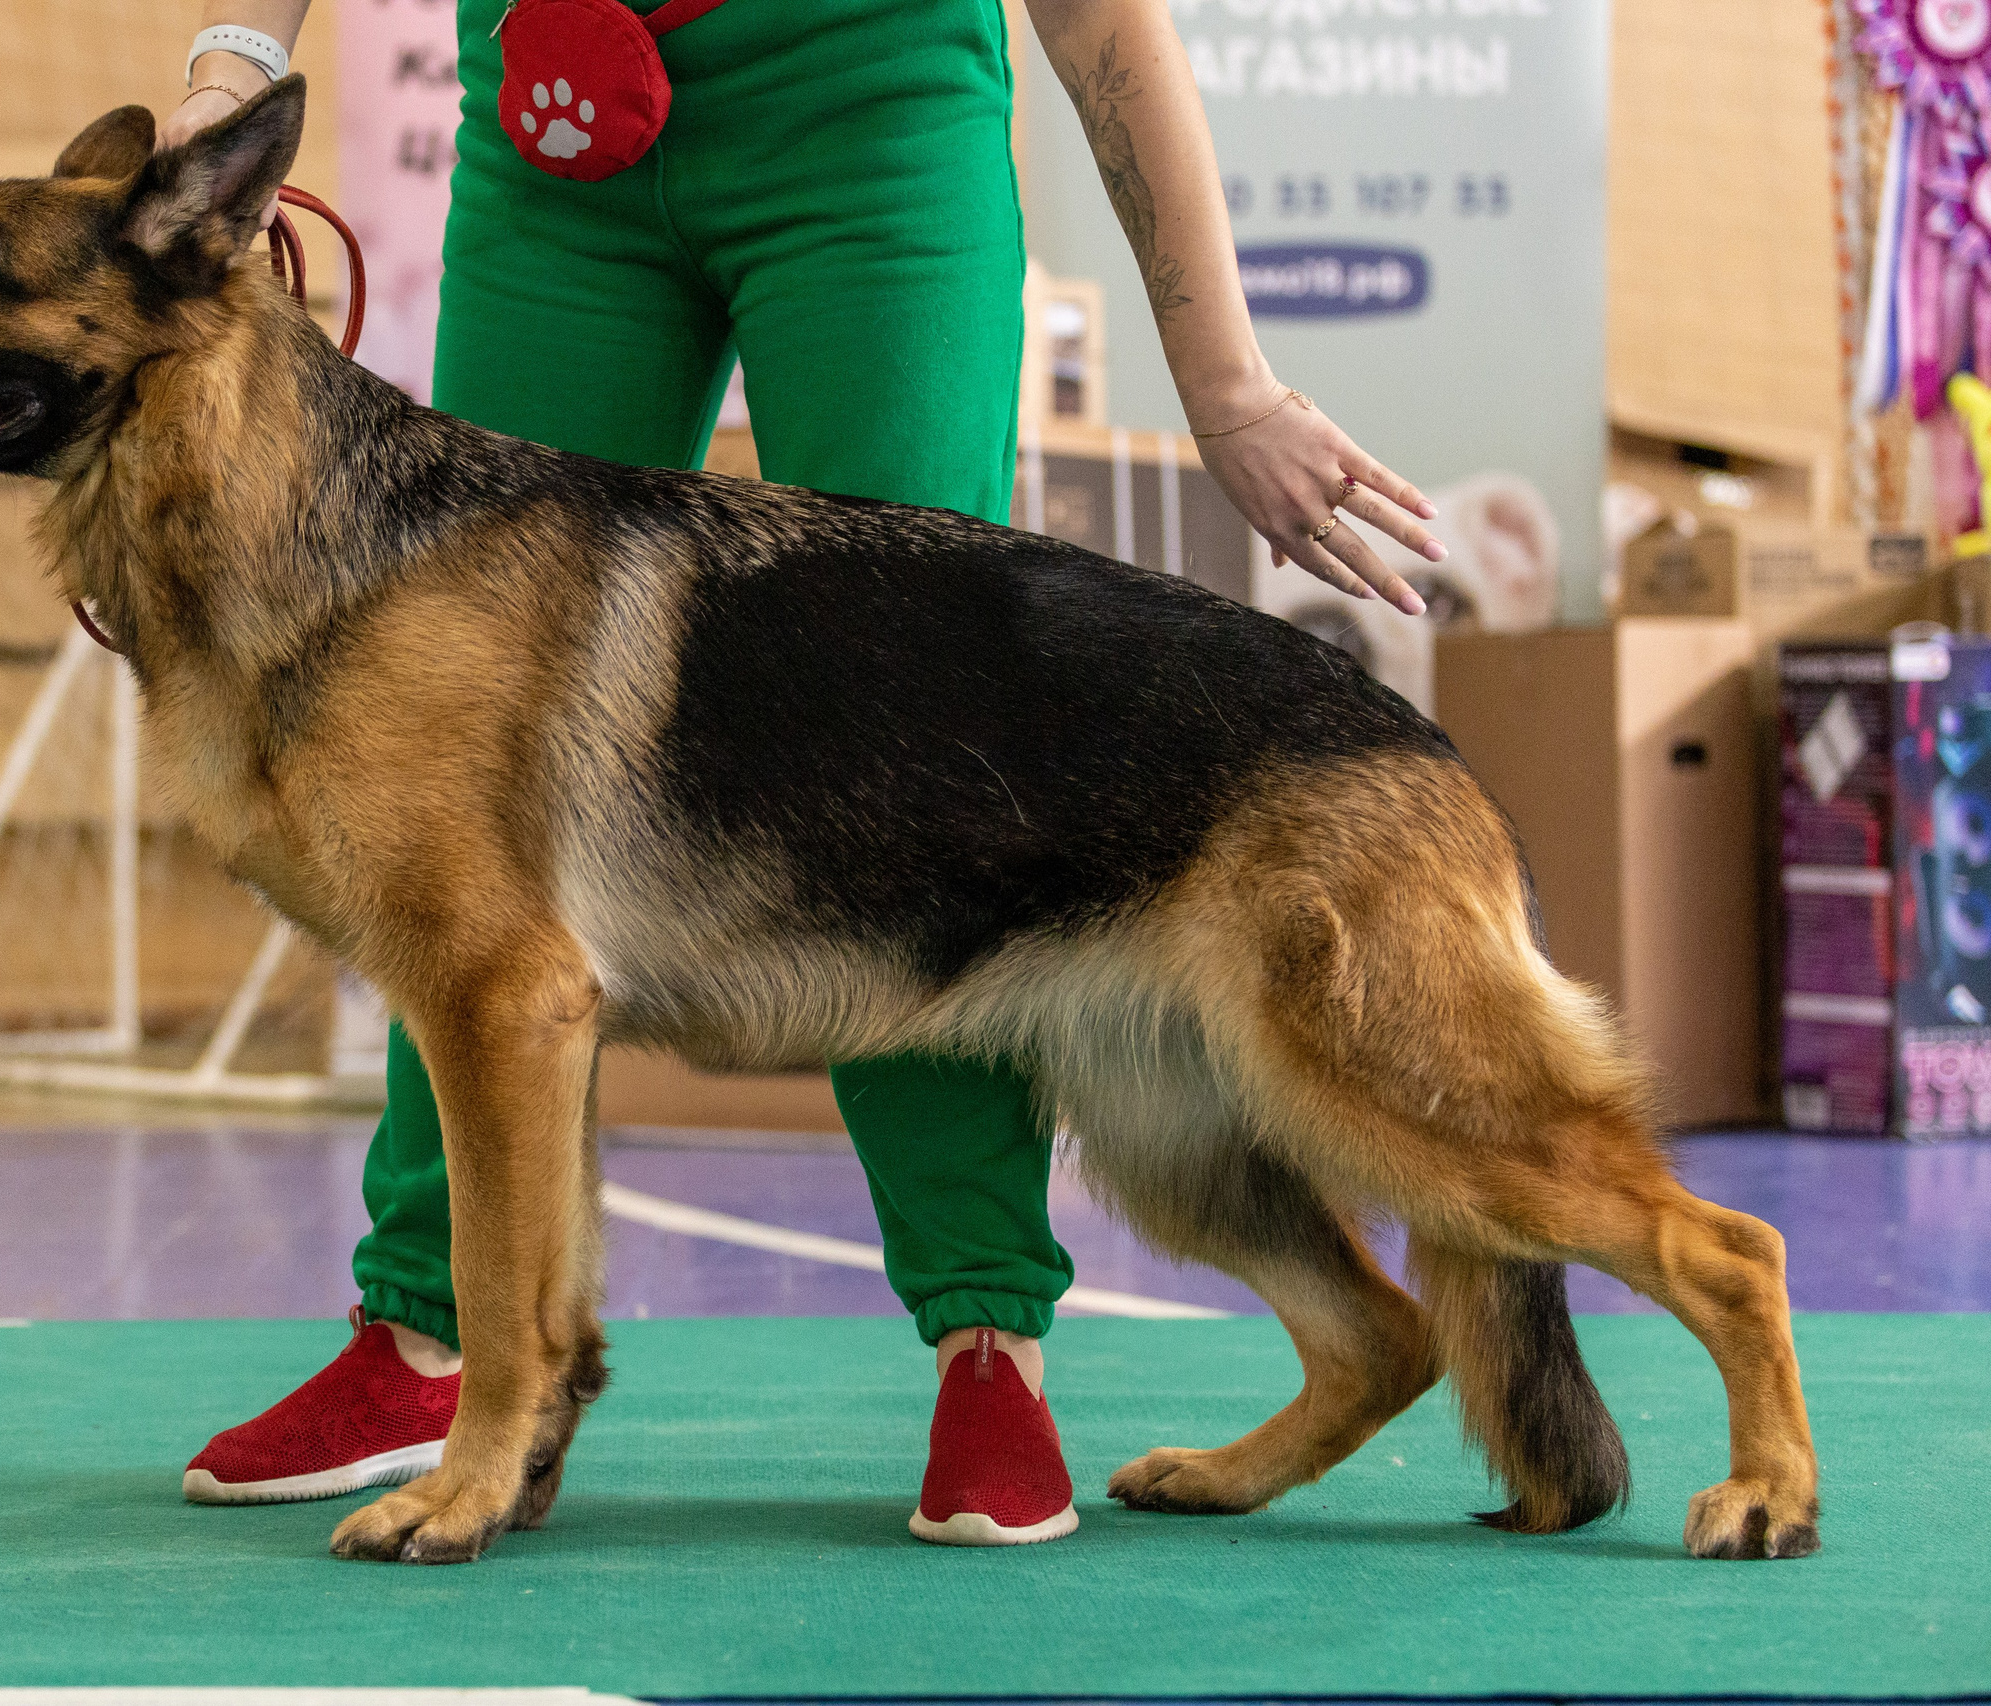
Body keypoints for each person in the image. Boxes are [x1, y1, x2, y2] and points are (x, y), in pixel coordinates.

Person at [162, 0, 1446, 1546]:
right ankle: (424, 1332)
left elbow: (1100, 18)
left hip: (868, 110)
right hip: (555, 127)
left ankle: (989, 1340)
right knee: (453, 835)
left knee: (917, 764)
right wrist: (226, 65)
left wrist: (1224, 379)